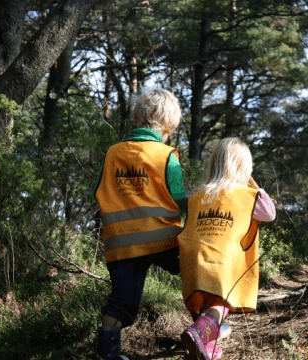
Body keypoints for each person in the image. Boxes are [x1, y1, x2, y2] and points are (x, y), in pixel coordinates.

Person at [94, 88, 187, 360]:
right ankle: (204, 326)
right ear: (170, 123)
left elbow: (98, 190)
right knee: (196, 272)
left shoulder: (112, 153)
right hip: (164, 240)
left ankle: (108, 355)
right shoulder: (167, 155)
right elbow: (180, 199)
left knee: (122, 303)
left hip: (121, 244)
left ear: (137, 118)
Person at [178, 138, 276, 360]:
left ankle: (205, 348)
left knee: (205, 306)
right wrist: (253, 183)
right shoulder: (248, 196)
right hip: (223, 262)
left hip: (192, 260)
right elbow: (270, 213)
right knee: (220, 305)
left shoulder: (196, 196)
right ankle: (199, 333)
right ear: (244, 169)